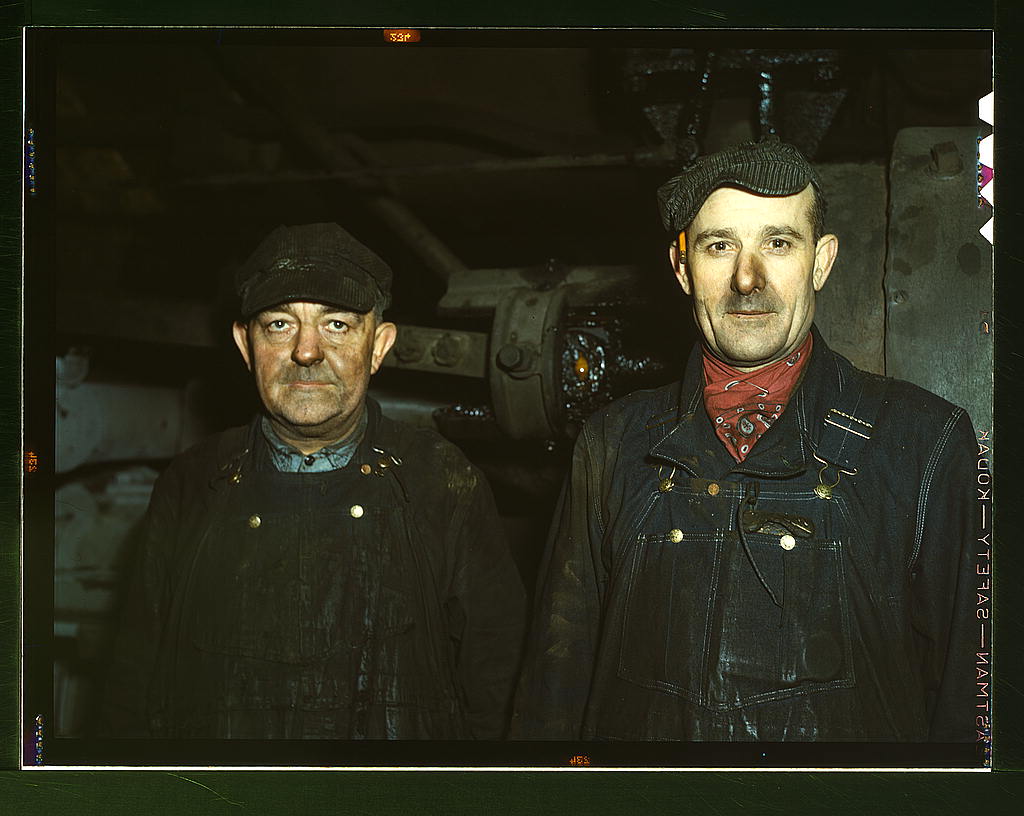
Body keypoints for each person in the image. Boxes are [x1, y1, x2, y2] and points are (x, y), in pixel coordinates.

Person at [512, 140, 977, 742]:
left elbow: (970, 707)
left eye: (778, 243)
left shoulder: (926, 442)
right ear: (682, 268)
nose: (747, 278)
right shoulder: (612, 443)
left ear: (821, 262)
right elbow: (554, 689)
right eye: (719, 245)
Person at [102, 223, 526, 740]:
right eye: (280, 325)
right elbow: (130, 693)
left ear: (379, 345)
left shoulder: (443, 482)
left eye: (337, 325)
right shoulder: (191, 483)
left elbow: (498, 694)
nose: (306, 351)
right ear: (245, 344)